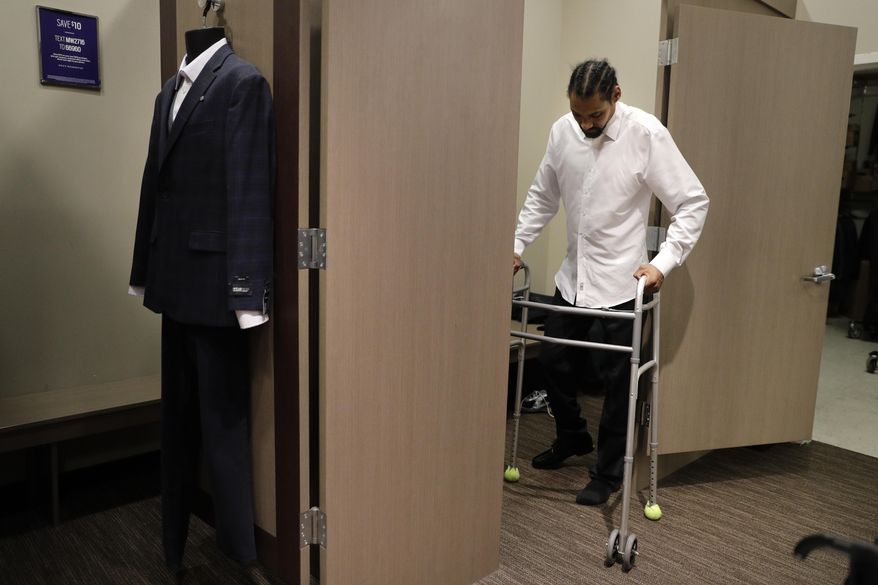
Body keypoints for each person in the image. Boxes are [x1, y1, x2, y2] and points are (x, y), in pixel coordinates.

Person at [513, 58, 708, 505]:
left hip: (623, 282)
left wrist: (665, 262)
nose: (585, 124)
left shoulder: (646, 134)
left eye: (595, 116)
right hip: (573, 277)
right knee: (555, 361)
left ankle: (607, 473)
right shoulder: (563, 131)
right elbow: (543, 196)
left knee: (620, 385)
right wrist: (517, 243)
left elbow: (693, 202)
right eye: (579, 114)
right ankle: (572, 436)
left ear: (615, 96)